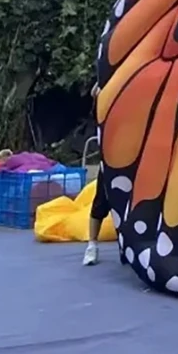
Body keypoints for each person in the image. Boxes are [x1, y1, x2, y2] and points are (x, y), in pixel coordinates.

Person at [83, 83, 111, 266]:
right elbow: (95, 91)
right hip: (109, 162)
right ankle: (91, 245)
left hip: (132, 162)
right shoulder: (103, 107)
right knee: (100, 202)